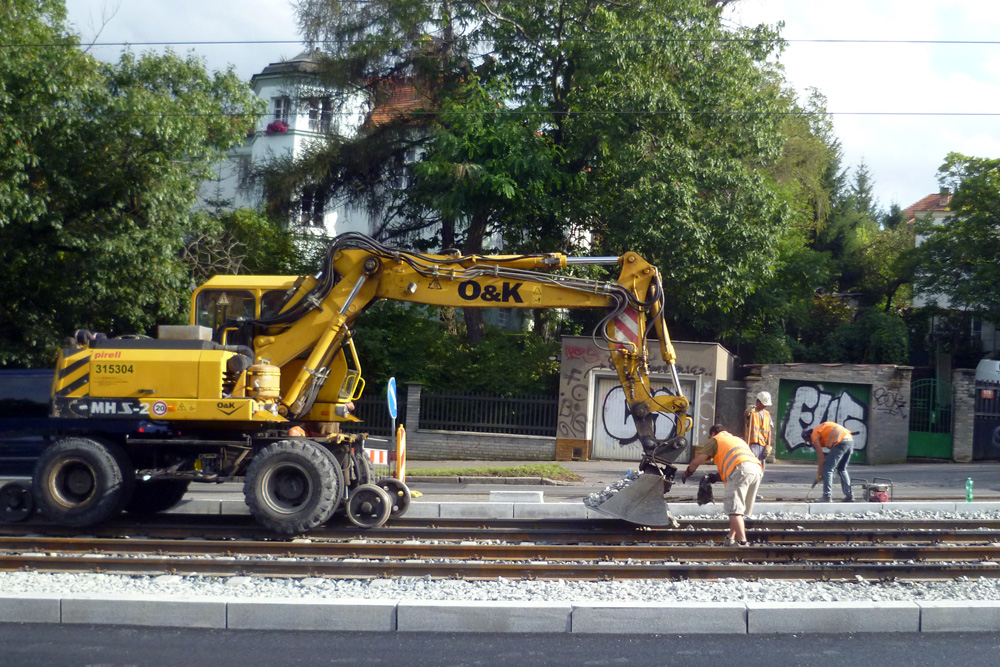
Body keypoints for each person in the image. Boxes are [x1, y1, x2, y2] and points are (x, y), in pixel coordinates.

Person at [682, 424, 763, 546]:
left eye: (710, 436)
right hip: (756, 470)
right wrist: (715, 477)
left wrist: (688, 472)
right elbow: (734, 465)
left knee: (734, 509)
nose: (710, 439)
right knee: (739, 509)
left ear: (713, 433)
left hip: (741, 469)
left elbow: (698, 460)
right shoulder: (736, 439)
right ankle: (730, 537)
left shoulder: (716, 439)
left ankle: (742, 542)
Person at [803, 422, 855, 502]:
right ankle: (849, 495)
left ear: (808, 436)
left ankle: (827, 496)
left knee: (828, 470)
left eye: (809, 441)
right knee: (842, 469)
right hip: (849, 440)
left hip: (840, 442)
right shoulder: (820, 429)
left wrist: (819, 474)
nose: (811, 442)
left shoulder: (814, 435)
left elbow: (821, 457)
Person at [745, 391, 773, 470]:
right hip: (752, 444)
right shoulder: (752, 412)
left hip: (763, 445)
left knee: (761, 468)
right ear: (758, 402)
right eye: (764, 404)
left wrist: (768, 445)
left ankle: (758, 481)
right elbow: (746, 415)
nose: (765, 406)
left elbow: (769, 431)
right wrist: (748, 410)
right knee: (752, 466)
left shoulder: (767, 414)